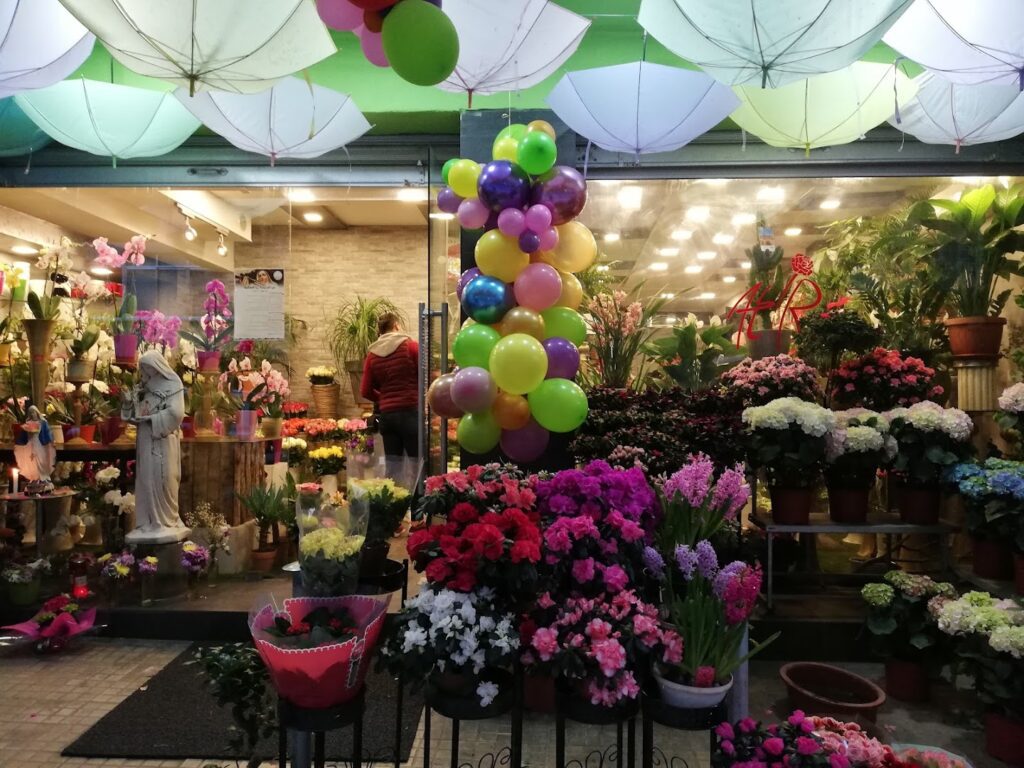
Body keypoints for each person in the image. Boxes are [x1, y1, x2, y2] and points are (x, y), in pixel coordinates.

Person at [124, 350, 188, 543]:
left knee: (165, 477)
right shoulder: (145, 386)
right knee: (146, 478)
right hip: (145, 438)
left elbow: (177, 413)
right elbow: (134, 413)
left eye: (148, 368)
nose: (145, 372)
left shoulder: (173, 384)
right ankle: (148, 522)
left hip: (163, 439)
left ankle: (168, 520)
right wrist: (129, 403)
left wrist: (152, 419)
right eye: (143, 369)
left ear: (156, 365)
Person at [360, 312, 418, 488]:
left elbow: (365, 390)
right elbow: (427, 374)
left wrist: (384, 398)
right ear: (396, 326)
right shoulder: (410, 346)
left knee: (393, 468)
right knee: (418, 465)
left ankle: (392, 510)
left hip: (388, 417)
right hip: (410, 414)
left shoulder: (372, 355)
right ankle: (418, 512)